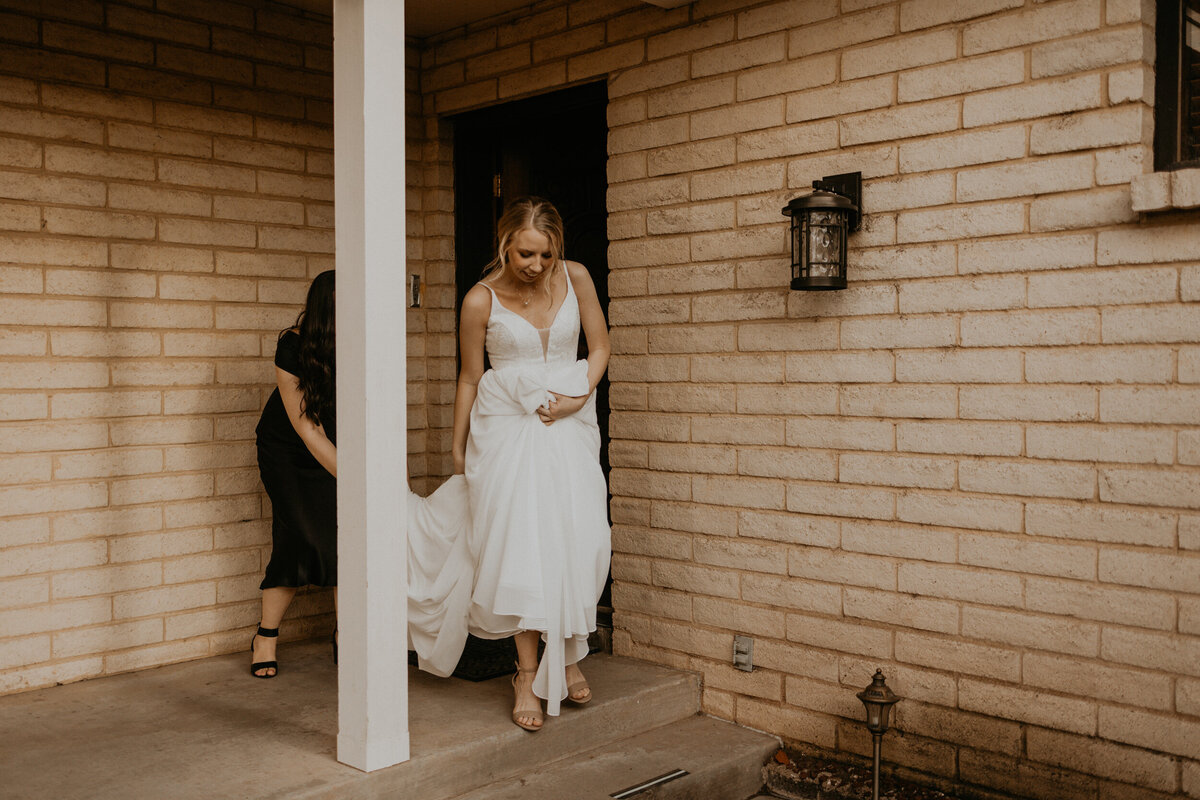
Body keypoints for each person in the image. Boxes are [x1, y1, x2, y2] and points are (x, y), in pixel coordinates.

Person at [410, 196, 611, 731]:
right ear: (506, 244)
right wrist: (456, 449)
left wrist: (578, 397)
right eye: (526, 254)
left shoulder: (577, 278)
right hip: (506, 434)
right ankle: (526, 672)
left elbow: (600, 348)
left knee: (577, 538)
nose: (536, 266)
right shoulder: (480, 300)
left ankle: (566, 656)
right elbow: (469, 378)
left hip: (569, 427)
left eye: (545, 256)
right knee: (522, 545)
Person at [250, 270, 338, 678]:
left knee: (345, 539)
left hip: (338, 446)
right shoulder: (293, 345)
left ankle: (348, 633)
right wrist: (355, 478)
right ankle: (266, 634)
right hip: (288, 449)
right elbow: (306, 427)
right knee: (296, 535)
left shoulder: (365, 341)